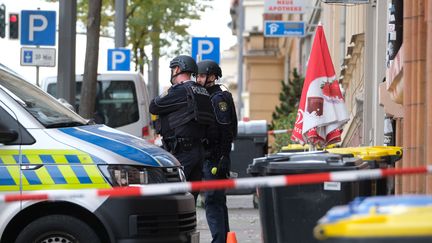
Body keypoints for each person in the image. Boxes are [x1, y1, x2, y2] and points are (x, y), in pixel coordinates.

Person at [149, 55, 214, 203]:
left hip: (181, 152)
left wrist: (168, 90)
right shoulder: (201, 91)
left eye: (173, 69)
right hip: (198, 152)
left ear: (177, 69)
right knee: (190, 200)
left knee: (173, 200)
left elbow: (154, 106)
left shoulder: (179, 90)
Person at [196, 60, 238, 243]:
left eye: (202, 75)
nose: (198, 79)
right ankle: (225, 238)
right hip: (212, 156)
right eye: (197, 75)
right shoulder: (211, 94)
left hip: (214, 158)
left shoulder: (218, 98)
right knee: (218, 201)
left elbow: (225, 130)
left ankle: (219, 240)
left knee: (213, 201)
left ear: (212, 76)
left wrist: (222, 156)